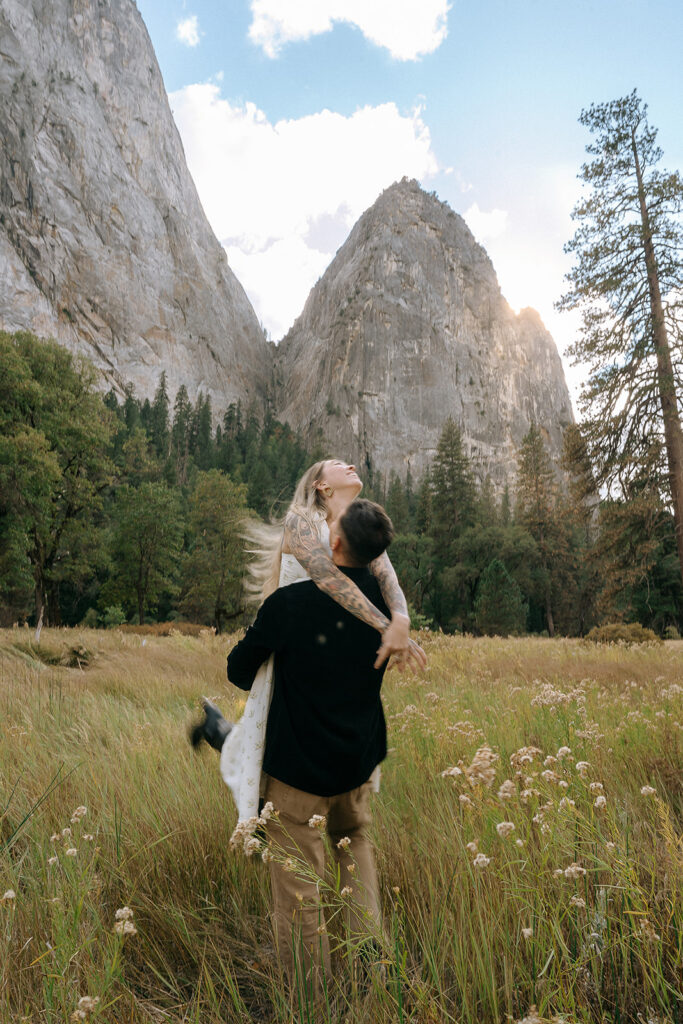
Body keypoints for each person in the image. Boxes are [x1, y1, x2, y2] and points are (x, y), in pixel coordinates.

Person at [193, 459, 426, 832]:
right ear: (321, 485)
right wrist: (387, 626)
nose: (349, 464)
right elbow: (327, 577)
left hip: (335, 645)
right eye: (337, 465)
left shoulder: (357, 523)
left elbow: (387, 578)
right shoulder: (302, 520)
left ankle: (228, 740)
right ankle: (220, 734)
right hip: (294, 642)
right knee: (268, 734)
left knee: (295, 733)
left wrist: (402, 619)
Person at [226, 499, 396, 995]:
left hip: (298, 774)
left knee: (299, 891)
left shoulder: (290, 605)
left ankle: (310, 997)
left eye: (329, 526)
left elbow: (238, 669)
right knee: (355, 849)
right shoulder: (385, 610)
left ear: (336, 544)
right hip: (356, 766)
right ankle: (371, 972)